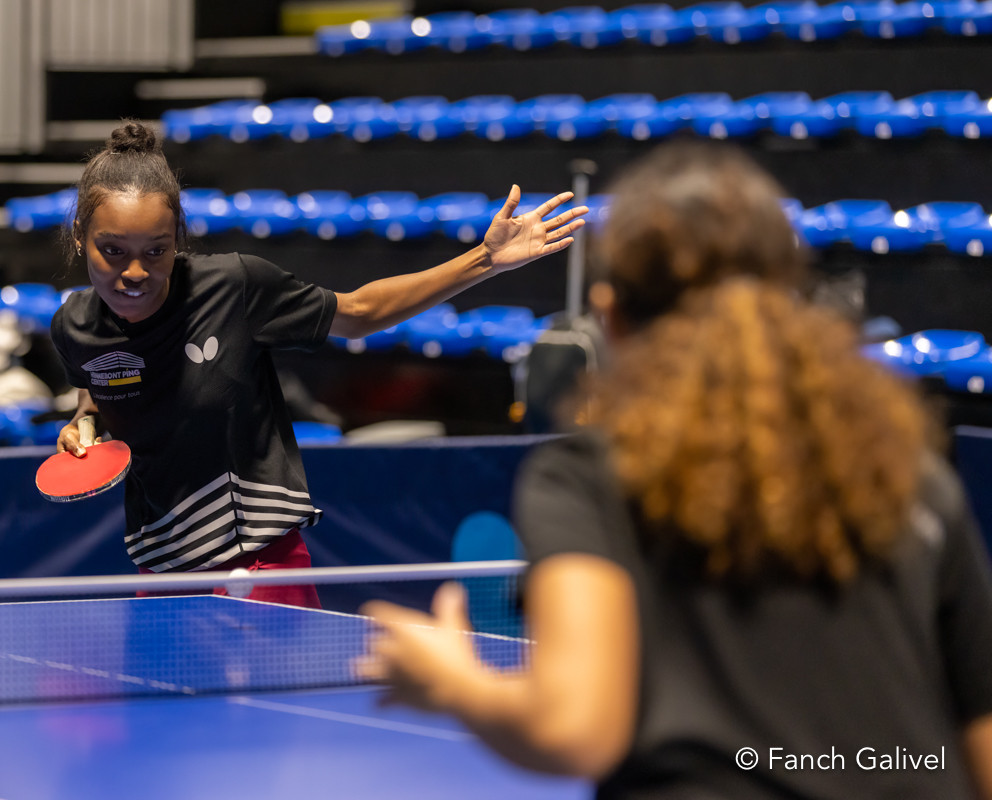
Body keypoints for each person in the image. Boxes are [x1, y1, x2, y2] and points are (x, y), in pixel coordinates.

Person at [360, 142, 992, 798]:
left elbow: (575, 727)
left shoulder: (588, 479)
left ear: (610, 317)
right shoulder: (909, 476)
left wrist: (456, 678)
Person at [49, 120, 587, 608]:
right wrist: (86, 423)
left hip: (257, 563)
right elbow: (95, 383)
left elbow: (358, 312)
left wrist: (484, 260)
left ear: (178, 241)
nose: (136, 271)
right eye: (113, 251)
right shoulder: (74, 325)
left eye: (157, 250)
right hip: (161, 566)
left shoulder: (233, 287)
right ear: (80, 238)